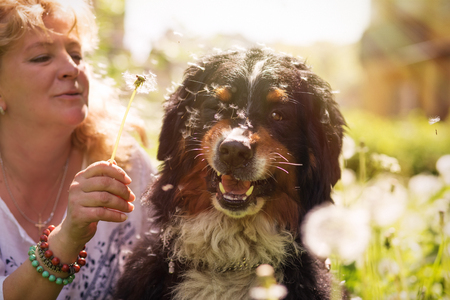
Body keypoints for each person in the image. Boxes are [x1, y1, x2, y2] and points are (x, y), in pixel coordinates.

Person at [0, 0, 156, 299]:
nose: (72, 68)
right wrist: (67, 239)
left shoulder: (126, 164)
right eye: (42, 57)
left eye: (76, 54)